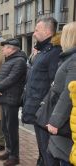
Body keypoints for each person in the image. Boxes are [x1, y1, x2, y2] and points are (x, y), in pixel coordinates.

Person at [21, 17, 62, 166]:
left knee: (48, 152)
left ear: (46, 30)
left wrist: (44, 106)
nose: (34, 33)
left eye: (37, 29)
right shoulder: (43, 51)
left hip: (44, 111)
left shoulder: (54, 52)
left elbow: (55, 85)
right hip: (36, 108)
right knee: (42, 150)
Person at [0, 38, 27, 166]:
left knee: (11, 129)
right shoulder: (9, 60)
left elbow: (11, 79)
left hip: (12, 99)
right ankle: (9, 151)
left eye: (5, 47)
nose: (3, 49)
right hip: (4, 98)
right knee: (5, 127)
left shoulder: (19, 61)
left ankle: (14, 156)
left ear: (12, 49)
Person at [45, 21, 76, 166]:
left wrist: (55, 121)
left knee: (64, 157)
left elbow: (69, 92)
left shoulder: (74, 60)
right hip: (66, 121)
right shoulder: (69, 58)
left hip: (66, 124)